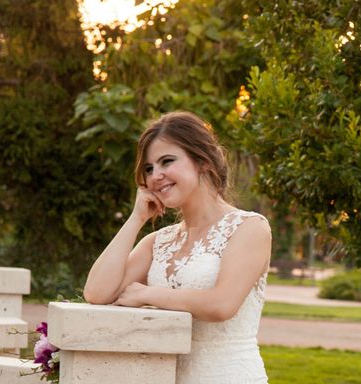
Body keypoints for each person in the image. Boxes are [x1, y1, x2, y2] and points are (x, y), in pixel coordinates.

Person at [83, 111, 271, 383]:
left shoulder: (249, 228)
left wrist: (147, 294)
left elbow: (222, 305)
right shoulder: (158, 242)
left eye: (166, 161)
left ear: (202, 162)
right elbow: (96, 292)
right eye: (148, 169)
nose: (155, 176)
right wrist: (136, 219)